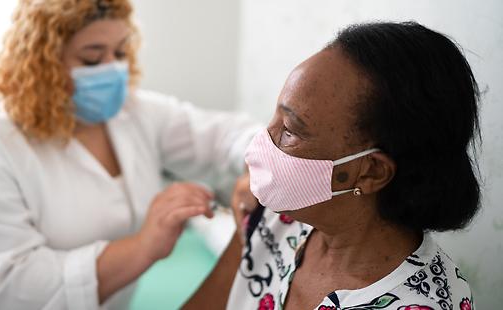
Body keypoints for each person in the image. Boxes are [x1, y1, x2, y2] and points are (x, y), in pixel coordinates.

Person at [0, 0, 260, 309]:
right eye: (92, 58)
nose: (112, 68)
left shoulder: (134, 113)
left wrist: (267, 164)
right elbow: (15, 287)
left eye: (121, 52)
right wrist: (145, 245)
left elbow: (225, 135)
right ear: (43, 62)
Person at [185, 21, 480, 310]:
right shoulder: (278, 219)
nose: (260, 144)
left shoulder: (418, 304)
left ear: (371, 171)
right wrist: (243, 235)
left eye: (289, 130)